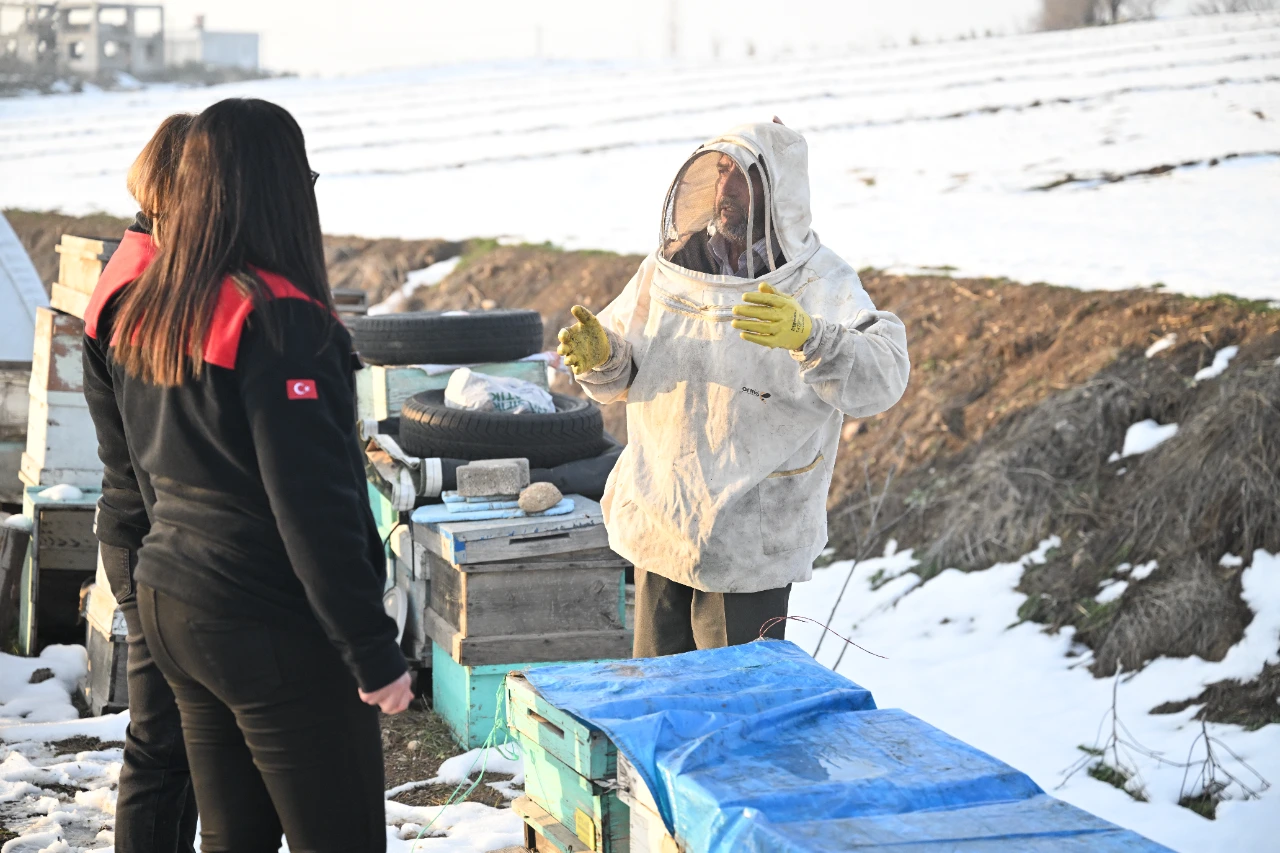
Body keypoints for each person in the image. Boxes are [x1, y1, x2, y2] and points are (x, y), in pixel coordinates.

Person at [82, 98, 410, 853]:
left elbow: (143, 466)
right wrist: (371, 649)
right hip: (265, 617)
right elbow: (313, 505)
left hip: (176, 604)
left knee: (233, 839)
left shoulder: (152, 306)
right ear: (282, 190)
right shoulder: (280, 320)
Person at [557, 120, 910, 658]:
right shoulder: (672, 269)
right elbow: (623, 372)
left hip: (750, 536)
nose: (725, 189)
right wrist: (603, 358)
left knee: (733, 707)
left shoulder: (818, 281)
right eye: (720, 172)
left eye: (742, 177)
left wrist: (811, 337)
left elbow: (881, 378)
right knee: (658, 701)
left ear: (779, 191)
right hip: (661, 520)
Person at [83, 111, 200, 853]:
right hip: (149, 531)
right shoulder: (140, 287)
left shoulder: (135, 265)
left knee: (173, 741)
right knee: (161, 743)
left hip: (139, 526)